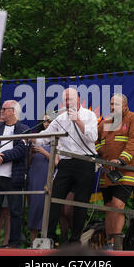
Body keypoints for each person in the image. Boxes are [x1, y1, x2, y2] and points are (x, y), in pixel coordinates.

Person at [35, 88, 98, 245]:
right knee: (54, 198)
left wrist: (77, 120)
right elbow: (46, 136)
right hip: (65, 163)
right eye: (65, 100)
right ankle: (48, 237)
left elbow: (93, 136)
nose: (68, 102)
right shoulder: (60, 118)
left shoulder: (89, 115)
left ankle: (75, 239)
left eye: (71, 99)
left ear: (78, 100)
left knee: (80, 202)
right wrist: (32, 139)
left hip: (85, 162)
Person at [96, 93, 134, 250]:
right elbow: (96, 142)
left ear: (125, 105)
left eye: (116, 104)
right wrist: (100, 157)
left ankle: (115, 243)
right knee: (109, 206)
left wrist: (121, 160)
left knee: (117, 205)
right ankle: (109, 243)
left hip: (126, 171)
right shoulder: (106, 122)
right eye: (111, 104)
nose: (113, 107)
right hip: (107, 172)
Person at [0, 100, 29, 248]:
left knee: (16, 211)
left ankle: (15, 243)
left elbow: (21, 150)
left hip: (13, 177)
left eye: (4, 109)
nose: (2, 112)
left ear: (13, 111)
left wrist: (1, 157)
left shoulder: (24, 129)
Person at [27, 115, 59, 244]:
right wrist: (32, 153)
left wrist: (43, 152)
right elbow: (28, 163)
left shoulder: (58, 139)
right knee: (34, 208)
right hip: (34, 177)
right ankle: (32, 242)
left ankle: (46, 241)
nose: (47, 123)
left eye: (50, 121)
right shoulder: (37, 138)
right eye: (44, 121)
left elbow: (57, 162)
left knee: (45, 208)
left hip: (48, 178)